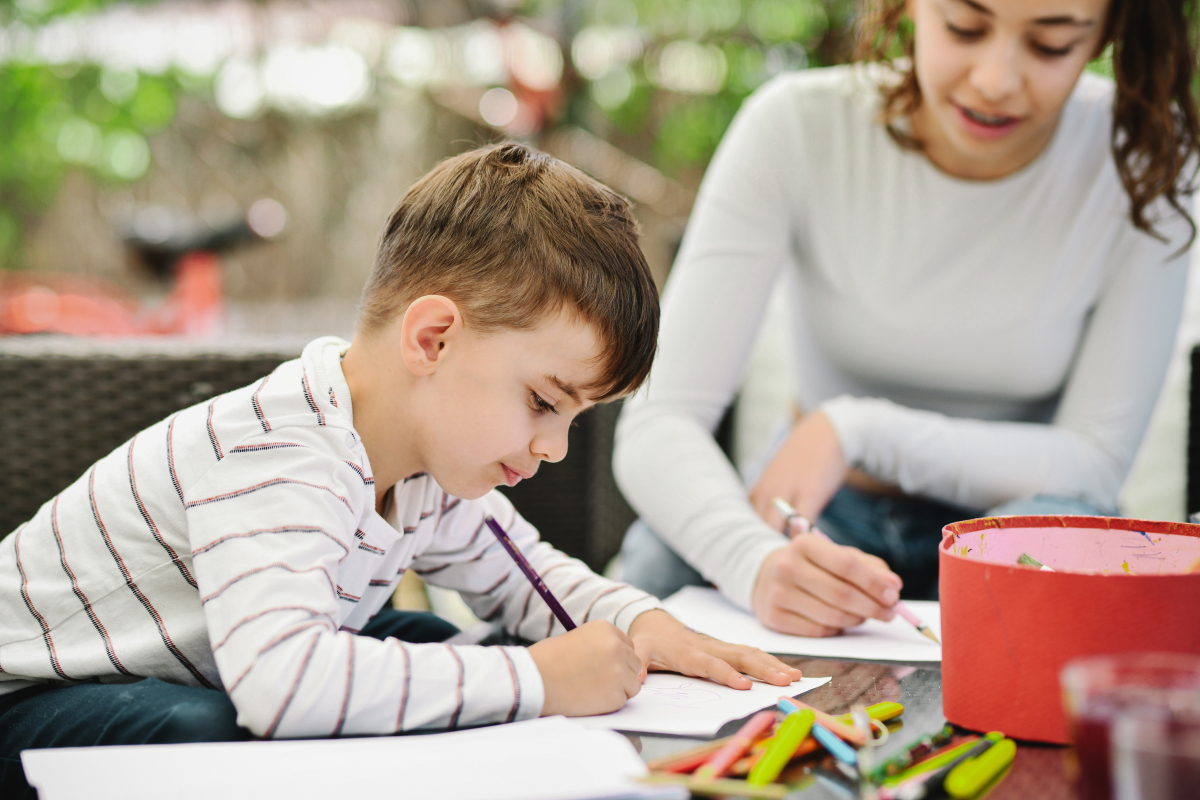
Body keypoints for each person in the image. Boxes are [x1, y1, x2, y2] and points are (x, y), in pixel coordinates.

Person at [0, 143, 804, 798]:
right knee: (209, 739)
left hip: (219, 663)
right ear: (432, 340)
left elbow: (531, 580)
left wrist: (641, 624)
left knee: (426, 637)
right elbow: (280, 685)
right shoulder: (282, 452)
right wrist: (535, 679)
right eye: (542, 401)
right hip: (34, 701)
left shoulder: (428, 468)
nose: (555, 447)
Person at [614, 0, 1198, 635]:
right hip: (823, 513)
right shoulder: (797, 125)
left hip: (1026, 521)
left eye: (1051, 45)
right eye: (964, 28)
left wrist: (857, 430)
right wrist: (753, 561)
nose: (995, 80)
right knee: (663, 563)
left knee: (1052, 617)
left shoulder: (1147, 155)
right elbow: (660, 418)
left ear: (1109, 32)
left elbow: (1095, 463)